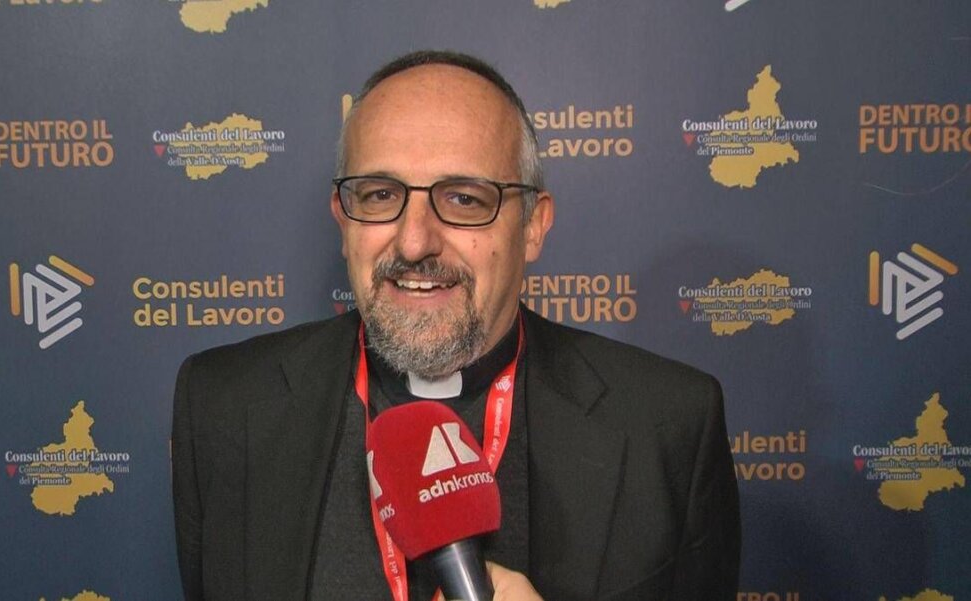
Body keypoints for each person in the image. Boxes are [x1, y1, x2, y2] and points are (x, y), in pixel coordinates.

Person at [172, 50, 740, 601]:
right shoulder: (223, 405)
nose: (414, 241)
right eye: (380, 195)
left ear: (533, 226)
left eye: (465, 199)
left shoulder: (668, 426)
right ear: (343, 221)